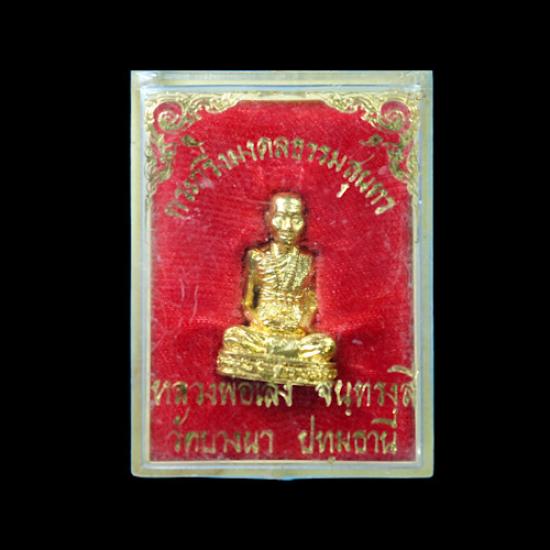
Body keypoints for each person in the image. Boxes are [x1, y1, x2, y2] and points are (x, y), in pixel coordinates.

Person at [217, 192, 336, 385]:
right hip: (262, 335)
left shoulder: (307, 261)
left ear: (304, 221)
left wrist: (302, 326)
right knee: (233, 336)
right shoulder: (256, 257)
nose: (287, 227)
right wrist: (260, 324)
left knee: (326, 345)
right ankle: (285, 358)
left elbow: (310, 302)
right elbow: (248, 303)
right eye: (281, 217)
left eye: (295, 219)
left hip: (296, 337)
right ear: (268, 218)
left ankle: (275, 357)